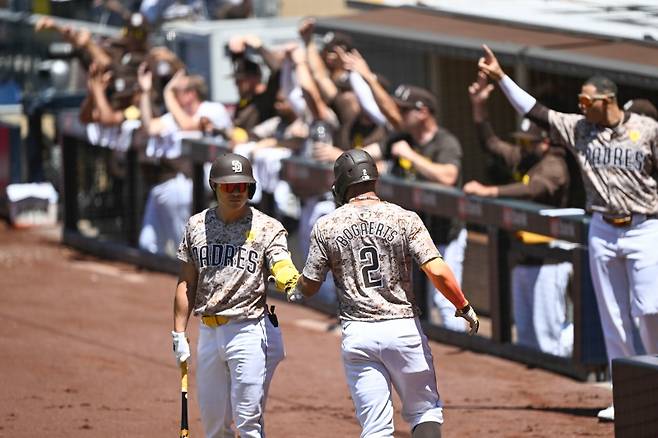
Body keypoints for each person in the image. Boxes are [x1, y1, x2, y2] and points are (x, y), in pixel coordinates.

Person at [478, 45, 658, 422]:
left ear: (607, 100)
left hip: (643, 226)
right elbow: (534, 111)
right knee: (613, 316)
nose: (580, 105)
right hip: (603, 228)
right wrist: (502, 79)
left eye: (586, 100)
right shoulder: (579, 128)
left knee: (650, 311)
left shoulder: (647, 129)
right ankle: (625, 396)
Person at [292, 149, 480, 438]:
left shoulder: (326, 225)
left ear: (341, 185)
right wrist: (463, 305)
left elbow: (311, 285)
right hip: (403, 329)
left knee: (376, 428)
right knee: (424, 411)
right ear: (375, 180)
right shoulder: (404, 218)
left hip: (359, 334)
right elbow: (438, 271)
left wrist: (294, 287)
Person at [172, 153, 300, 437]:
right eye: (229, 186)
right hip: (208, 332)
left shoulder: (267, 227)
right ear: (214, 186)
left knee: (248, 423)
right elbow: (186, 282)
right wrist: (178, 333)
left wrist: (287, 275)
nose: (235, 192)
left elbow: (280, 259)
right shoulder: (196, 226)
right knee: (214, 425)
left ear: (251, 189)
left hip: (248, 331)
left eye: (242, 186)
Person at [464, 74, 573, 357]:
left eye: (530, 142)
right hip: (525, 258)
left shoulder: (554, 164)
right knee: (525, 337)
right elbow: (492, 144)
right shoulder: (529, 158)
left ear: (546, 142)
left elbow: (535, 188)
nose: (524, 146)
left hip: (550, 260)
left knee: (550, 342)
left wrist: (492, 192)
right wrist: (479, 107)